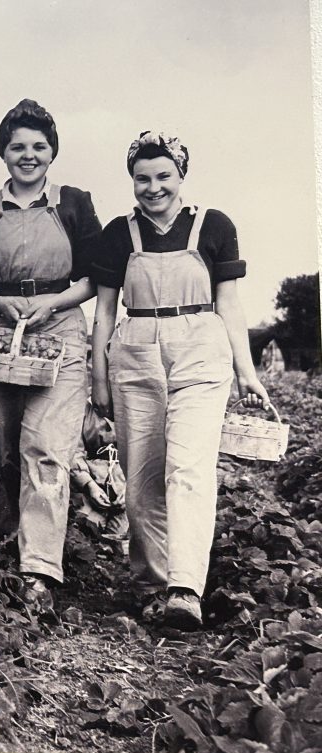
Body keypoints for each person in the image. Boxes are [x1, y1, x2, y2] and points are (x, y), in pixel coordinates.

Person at [90, 131, 270, 630]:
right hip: (135, 351)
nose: (153, 188)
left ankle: (186, 587)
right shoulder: (116, 234)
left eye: (164, 176)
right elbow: (104, 313)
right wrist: (98, 380)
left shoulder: (213, 226)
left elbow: (229, 304)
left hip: (200, 348)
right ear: (132, 180)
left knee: (188, 468)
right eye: (142, 178)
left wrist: (246, 372)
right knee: (142, 476)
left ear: (181, 176)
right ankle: (151, 584)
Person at [0, 99, 102, 613]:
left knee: (47, 446)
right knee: (9, 445)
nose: (28, 155)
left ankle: (39, 569)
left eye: (39, 146)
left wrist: (52, 301)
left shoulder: (74, 204)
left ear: (53, 152)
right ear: (3, 152)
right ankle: (9, 527)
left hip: (59, 329)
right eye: (18, 146)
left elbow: (94, 277)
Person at [69, 400, 127, 539]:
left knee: (124, 539)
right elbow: (74, 451)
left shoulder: (139, 403)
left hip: (127, 489)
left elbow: (146, 454)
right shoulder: (82, 406)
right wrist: (89, 485)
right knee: (85, 531)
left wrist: (131, 489)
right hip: (91, 485)